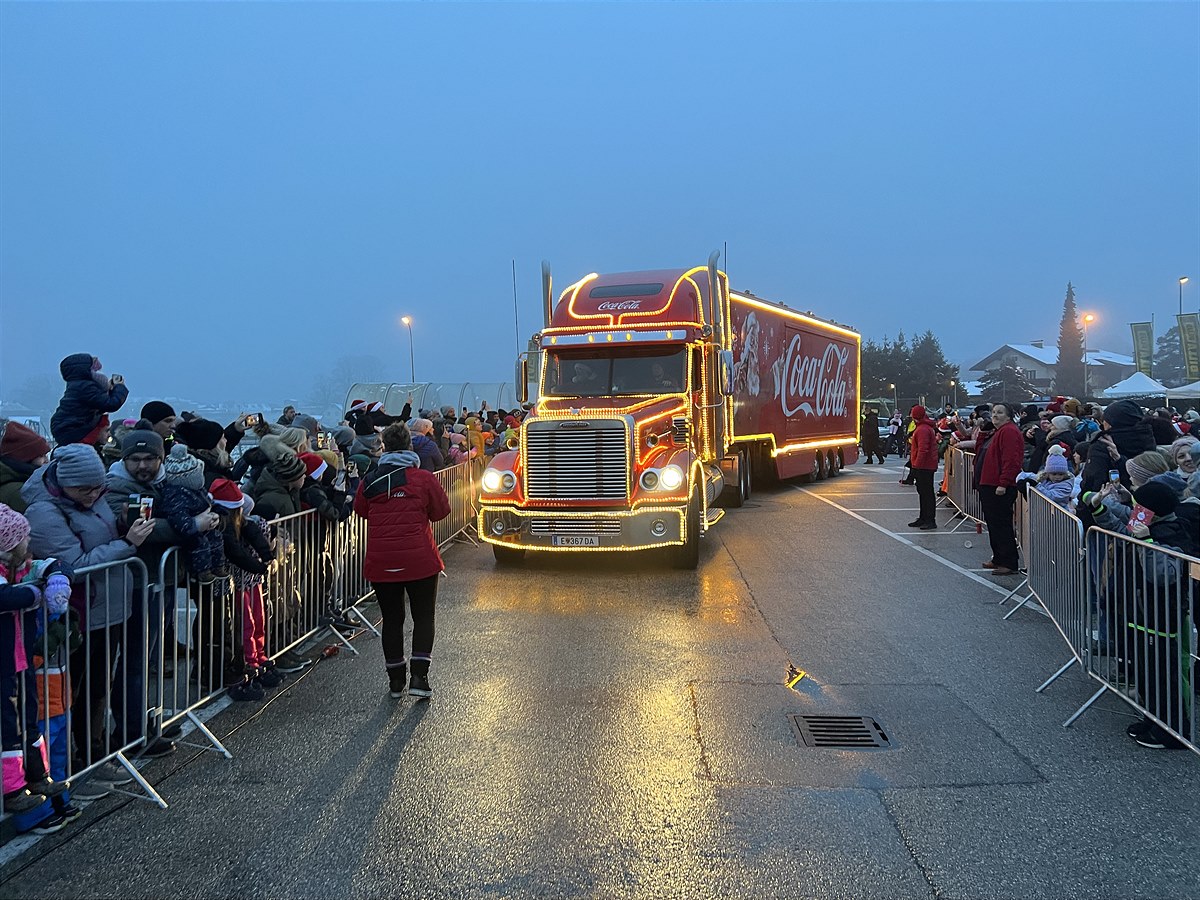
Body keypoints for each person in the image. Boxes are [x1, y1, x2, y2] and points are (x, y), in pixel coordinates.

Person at [21, 444, 174, 772]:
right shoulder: (44, 513)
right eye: (85, 489)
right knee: (76, 688)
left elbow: (99, 536)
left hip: (109, 606)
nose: (93, 495)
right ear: (64, 482)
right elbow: (73, 564)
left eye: (98, 488)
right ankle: (73, 760)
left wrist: (121, 525)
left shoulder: (94, 496)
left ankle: (95, 748)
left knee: (98, 685)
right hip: (80, 612)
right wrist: (127, 543)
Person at [353, 423, 450, 700]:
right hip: (420, 559)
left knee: (392, 620)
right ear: (410, 445)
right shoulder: (423, 478)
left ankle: (396, 680)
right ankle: (419, 676)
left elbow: (361, 510)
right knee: (423, 617)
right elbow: (442, 511)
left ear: (384, 446)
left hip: (383, 561)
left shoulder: (371, 479)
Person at [0, 504, 73, 817]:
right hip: (3, 660)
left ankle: (38, 775)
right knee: (8, 727)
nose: (29, 544)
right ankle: (13, 788)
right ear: (10, 545)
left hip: (21, 658)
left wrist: (56, 577)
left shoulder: (19, 567)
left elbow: (56, 564)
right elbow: (6, 597)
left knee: (30, 716)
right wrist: (36, 594)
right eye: (24, 540)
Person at [210, 480, 278, 701]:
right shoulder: (223, 527)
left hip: (250, 580)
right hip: (235, 583)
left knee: (258, 618)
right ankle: (249, 662)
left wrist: (267, 556)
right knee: (244, 624)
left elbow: (254, 536)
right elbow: (236, 553)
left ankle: (259, 657)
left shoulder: (243, 523)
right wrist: (260, 566)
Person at [160, 445, 224, 584]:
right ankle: (202, 571)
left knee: (215, 537)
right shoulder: (176, 496)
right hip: (191, 531)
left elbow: (209, 503)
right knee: (200, 543)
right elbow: (178, 517)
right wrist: (194, 524)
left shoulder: (197, 491)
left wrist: (216, 514)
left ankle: (217, 565)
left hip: (202, 524)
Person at [974, 403, 1024, 575]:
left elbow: (1011, 460)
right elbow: (980, 450)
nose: (995, 415)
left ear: (1009, 416)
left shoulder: (1009, 432)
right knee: (994, 524)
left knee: (1002, 524)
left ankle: (1009, 562)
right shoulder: (997, 432)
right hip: (988, 484)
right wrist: (982, 432)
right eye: (994, 412)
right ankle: (998, 557)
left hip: (998, 486)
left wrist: (1003, 483)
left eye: (1000, 412)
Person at [49, 354, 128, 447]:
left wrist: (111, 391)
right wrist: (119, 387)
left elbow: (97, 403)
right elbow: (110, 404)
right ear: (84, 371)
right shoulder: (85, 387)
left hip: (67, 427)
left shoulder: (80, 386)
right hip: (72, 429)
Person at [0, 421, 51, 513]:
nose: (47, 461)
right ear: (26, 458)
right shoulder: (20, 492)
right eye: (41, 456)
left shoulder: (18, 480)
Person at [906, 406, 939, 530]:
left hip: (924, 466)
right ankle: (924, 517)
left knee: (926, 493)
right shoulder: (925, 427)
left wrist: (916, 466)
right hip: (926, 465)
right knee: (924, 492)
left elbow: (923, 450)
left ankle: (929, 519)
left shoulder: (922, 430)